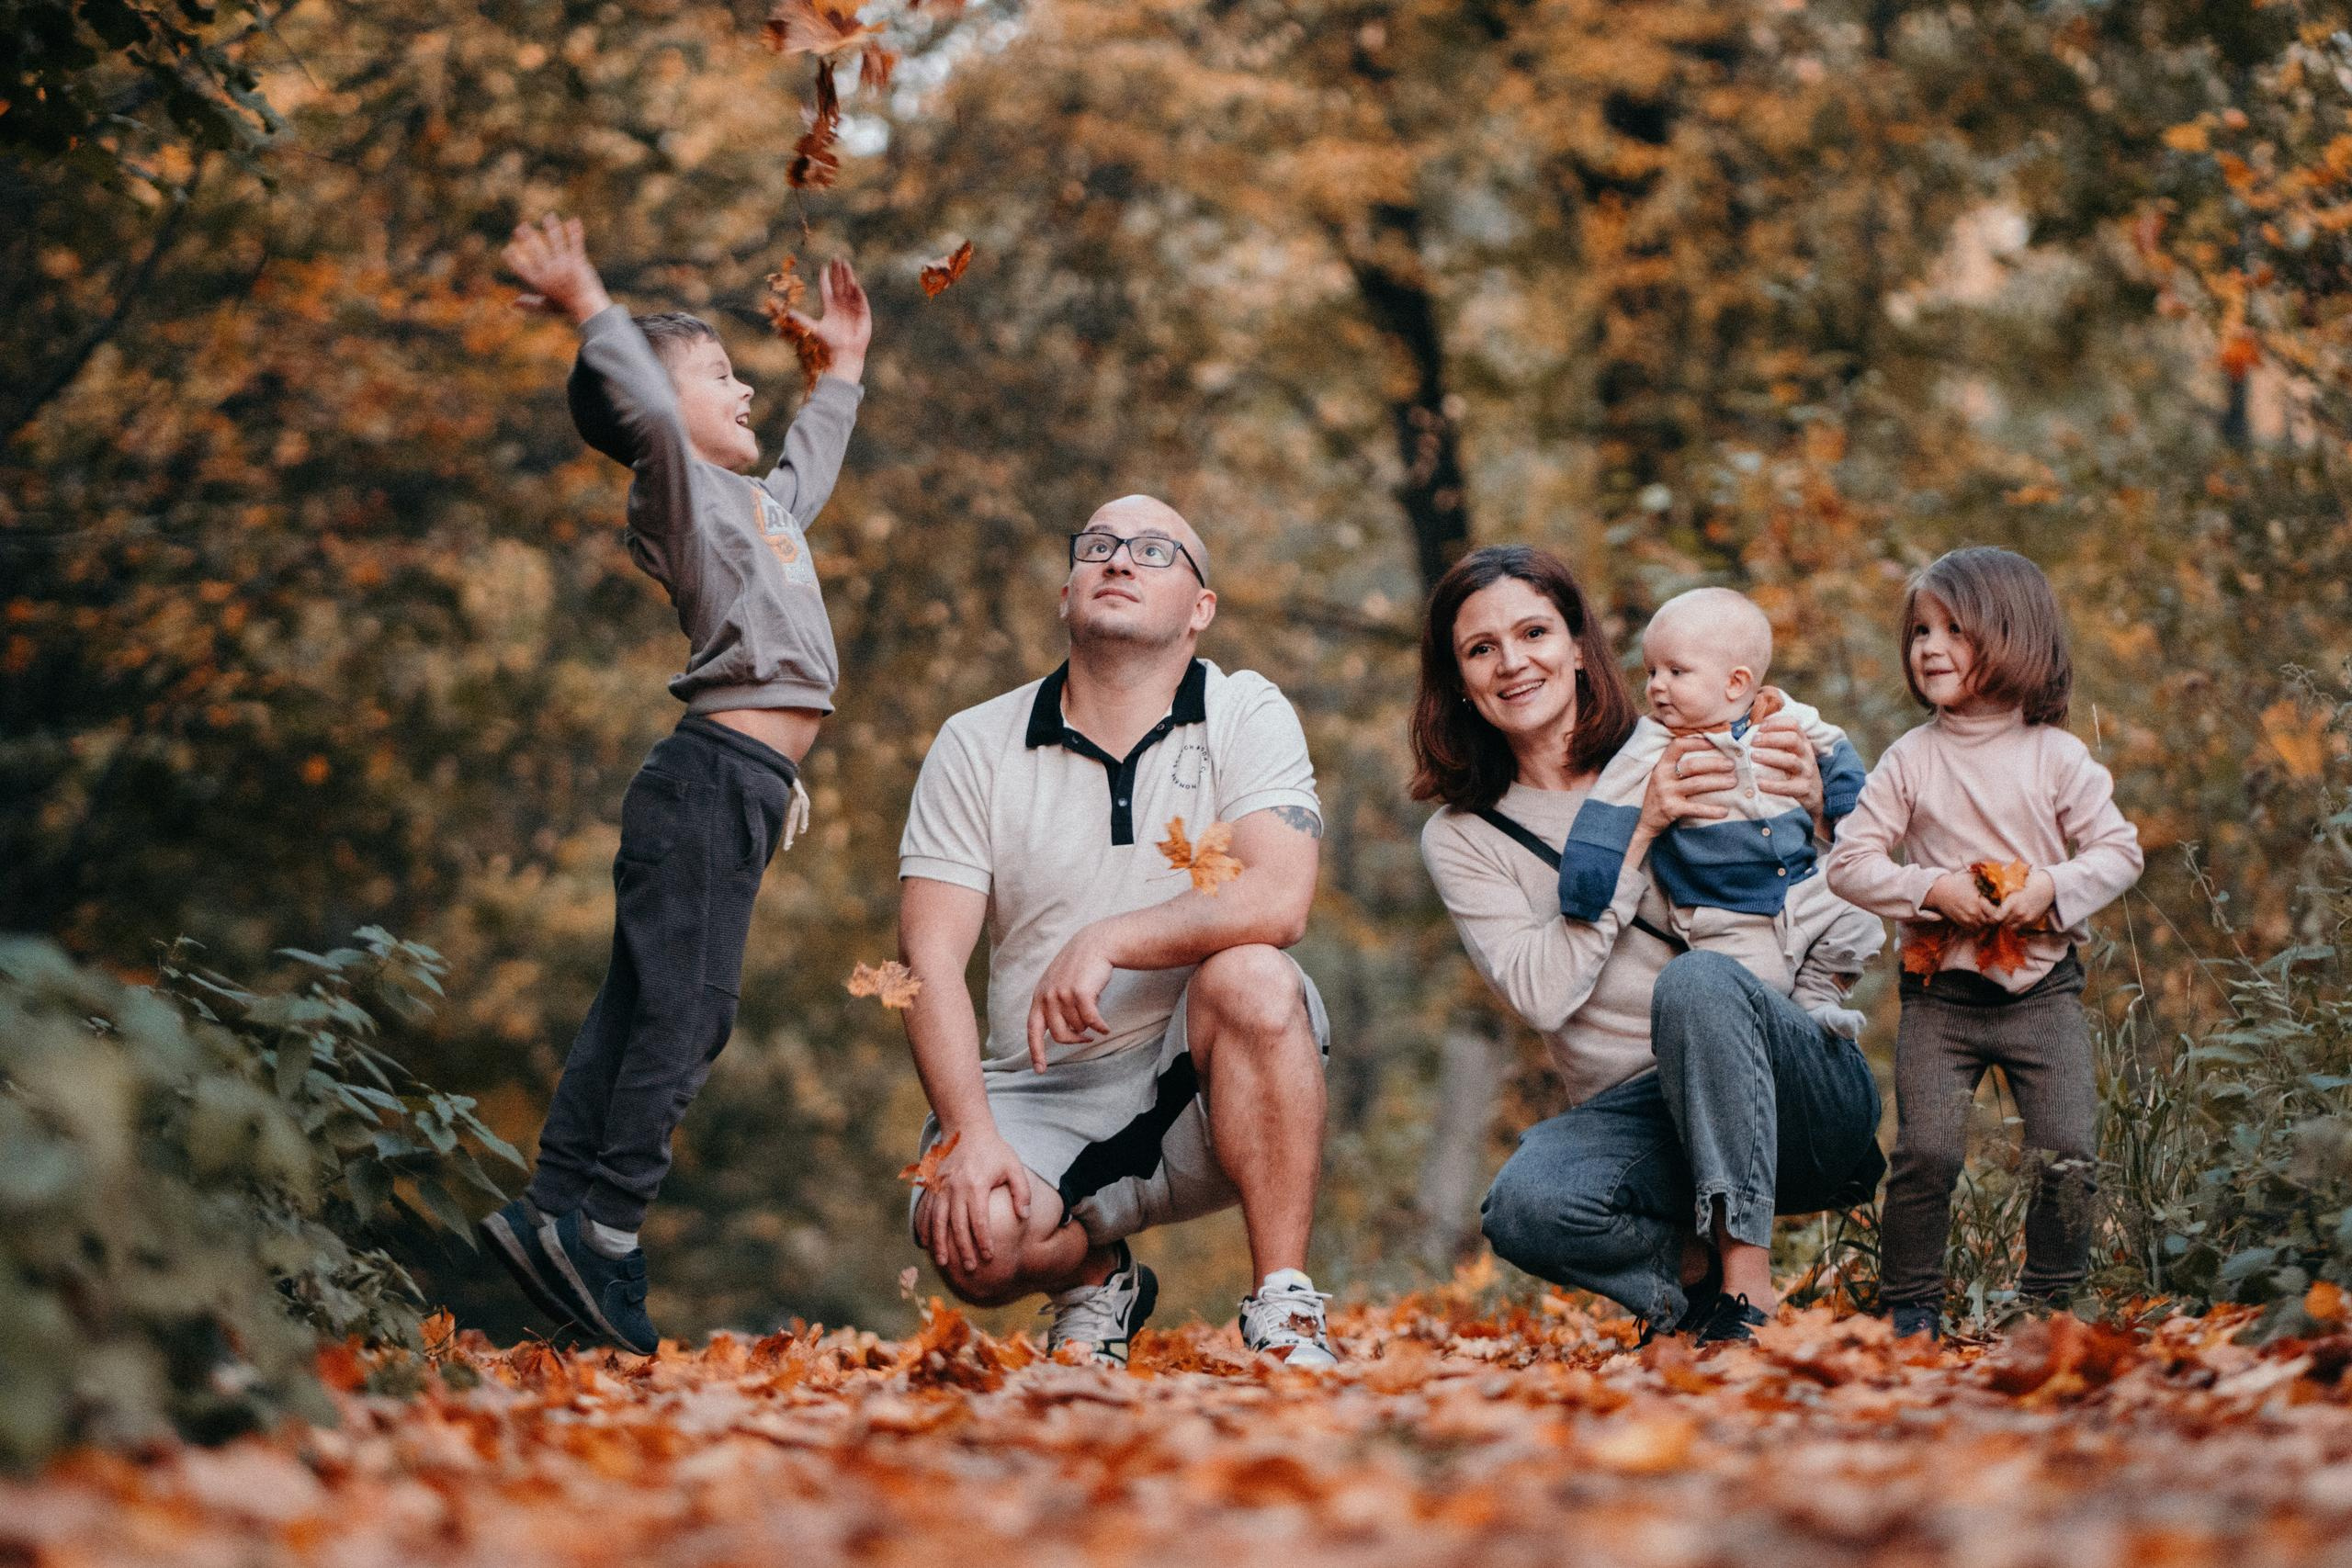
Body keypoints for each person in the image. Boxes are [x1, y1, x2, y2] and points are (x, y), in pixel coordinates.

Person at [476, 214, 875, 1353]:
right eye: (720, 376)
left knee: (641, 1001)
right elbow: (648, 412)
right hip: (710, 783)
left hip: (731, 790)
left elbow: (807, 467)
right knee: (693, 1013)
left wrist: (840, 370)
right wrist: (591, 303)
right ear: (657, 410)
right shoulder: (680, 496)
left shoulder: (758, 512)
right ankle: (604, 1239)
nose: (746, 388)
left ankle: (551, 1206)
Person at [895, 496, 1337, 1367]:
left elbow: (1280, 898)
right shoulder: (975, 743)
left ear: (1200, 610)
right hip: (1047, 1089)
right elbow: (928, 961)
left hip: (1210, 1078)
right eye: (1097, 546)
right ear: (1066, 593)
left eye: (1152, 550)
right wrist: (967, 1131)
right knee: (974, 1237)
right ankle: (1097, 1281)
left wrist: (1110, 938)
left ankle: (1284, 1305)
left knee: (1254, 973)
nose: (1119, 560)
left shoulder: (1246, 712)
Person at [1414, 546, 1885, 1345]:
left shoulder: (1690, 735)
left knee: (1699, 982)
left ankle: (1748, 1292)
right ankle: (1692, 1292)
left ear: (1577, 646)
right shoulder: (1465, 834)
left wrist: (1822, 814)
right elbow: (1540, 994)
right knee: (1528, 1205)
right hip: (1641, 1119)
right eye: (1481, 648)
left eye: (1534, 632)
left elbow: (1865, 890)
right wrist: (1639, 833)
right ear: (1459, 677)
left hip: (1789, 1080)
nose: (1514, 663)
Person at [1824, 547, 2142, 1340]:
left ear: (2012, 634)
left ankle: (2050, 1302)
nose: (1928, 646)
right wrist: (1931, 889)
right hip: (1942, 996)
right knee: (1927, 1152)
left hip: (2044, 989)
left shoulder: (2056, 757)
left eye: (1953, 629)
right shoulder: (1911, 759)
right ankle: (1911, 1307)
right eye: (1920, 630)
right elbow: (1851, 862)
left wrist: (2050, 889)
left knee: (2067, 1150)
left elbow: (2119, 851)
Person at [1557, 587, 1871, 1031]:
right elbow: (1609, 805)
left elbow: (1838, 751)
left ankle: (1817, 1001)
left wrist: (1847, 815)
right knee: (1755, 982)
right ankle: (1786, 1031)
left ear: (1736, 682)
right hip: (1723, 908)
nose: (1656, 686)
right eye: (1651, 672)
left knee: (1857, 913)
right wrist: (1584, 886)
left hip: (1800, 883)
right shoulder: (1654, 742)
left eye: (1676, 671)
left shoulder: (1781, 712)